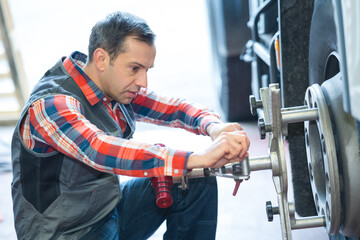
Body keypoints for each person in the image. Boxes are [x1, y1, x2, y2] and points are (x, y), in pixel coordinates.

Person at [11, 11, 250, 240]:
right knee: (191, 167)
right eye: (135, 68)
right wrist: (197, 158)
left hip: (107, 212)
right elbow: (99, 149)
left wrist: (214, 127)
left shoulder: (112, 84)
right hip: (65, 234)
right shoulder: (50, 105)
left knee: (195, 180)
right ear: (102, 59)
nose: (142, 82)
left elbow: (176, 108)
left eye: (146, 70)